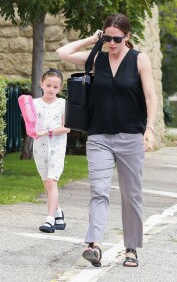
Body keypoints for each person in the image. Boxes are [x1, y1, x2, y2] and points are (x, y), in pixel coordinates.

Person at [56, 14, 157, 267]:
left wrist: (150, 128)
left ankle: (131, 248)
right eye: (108, 37)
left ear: (128, 37)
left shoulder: (139, 59)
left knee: (131, 194)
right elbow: (63, 52)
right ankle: (94, 244)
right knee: (98, 191)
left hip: (131, 135)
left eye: (117, 38)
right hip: (99, 135)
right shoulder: (97, 57)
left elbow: (150, 97)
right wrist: (92, 40)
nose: (112, 43)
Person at [33, 68, 70, 233]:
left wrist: (47, 132)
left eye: (55, 87)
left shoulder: (63, 104)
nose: (51, 89)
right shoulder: (34, 104)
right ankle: (58, 212)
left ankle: (49, 220)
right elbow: (30, 124)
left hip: (57, 146)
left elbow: (67, 128)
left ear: (60, 88)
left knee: (51, 181)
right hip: (39, 148)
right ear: (42, 84)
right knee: (46, 183)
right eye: (48, 85)